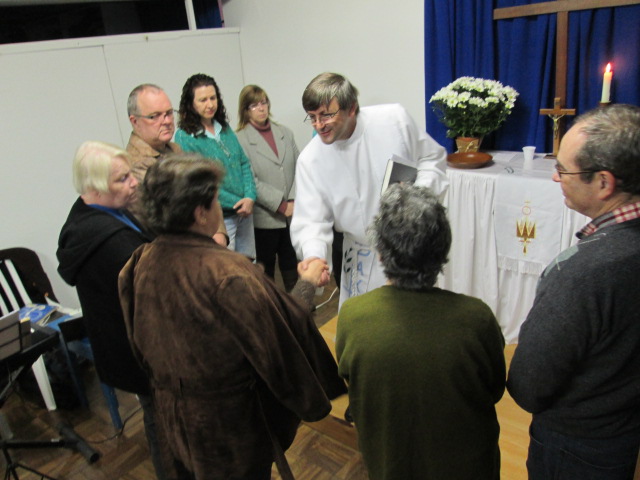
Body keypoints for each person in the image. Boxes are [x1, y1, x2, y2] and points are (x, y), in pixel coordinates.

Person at [118, 154, 346, 479]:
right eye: (214, 199)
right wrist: (307, 283)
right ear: (199, 212)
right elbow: (280, 337)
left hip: (172, 416)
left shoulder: (140, 260)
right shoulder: (227, 273)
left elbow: (139, 344)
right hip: (227, 428)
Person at [335, 183, 506, 480]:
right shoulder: (476, 319)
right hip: (467, 468)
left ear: (381, 253)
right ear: (442, 249)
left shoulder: (353, 316)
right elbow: (495, 389)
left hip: (390, 465)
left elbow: (355, 384)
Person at [507, 104, 640, 480]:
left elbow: (528, 387)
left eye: (564, 170)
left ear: (604, 183)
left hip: (577, 448)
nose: (555, 177)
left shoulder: (582, 272)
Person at [56, 141, 165, 479]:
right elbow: (155, 291)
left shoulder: (89, 212)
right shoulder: (110, 242)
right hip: (138, 347)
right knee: (162, 423)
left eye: (130, 174)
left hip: (126, 341)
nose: (134, 183)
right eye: (122, 179)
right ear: (95, 188)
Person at [290, 72, 449, 305]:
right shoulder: (310, 159)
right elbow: (311, 221)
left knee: (416, 316)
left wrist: (415, 199)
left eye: (326, 115)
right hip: (361, 255)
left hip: (409, 249)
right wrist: (314, 257)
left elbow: (431, 159)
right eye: (312, 117)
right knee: (366, 320)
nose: (318, 125)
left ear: (351, 108)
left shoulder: (394, 121)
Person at [125, 83, 228, 246]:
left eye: (168, 113)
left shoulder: (175, 149)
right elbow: (170, 221)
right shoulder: (134, 165)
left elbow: (208, 192)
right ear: (135, 121)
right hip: (180, 251)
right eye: (154, 116)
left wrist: (219, 232)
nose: (166, 121)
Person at [175, 74, 256, 258]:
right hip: (220, 219)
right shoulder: (184, 137)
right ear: (191, 104)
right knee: (228, 268)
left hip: (245, 212)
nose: (210, 104)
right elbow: (198, 183)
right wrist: (237, 203)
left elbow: (243, 163)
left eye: (213, 98)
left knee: (249, 266)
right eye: (203, 100)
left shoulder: (224, 128)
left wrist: (250, 196)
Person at [236, 85, 299, 290]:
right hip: (264, 218)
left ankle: (298, 306)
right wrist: (281, 205)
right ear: (245, 110)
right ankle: (272, 308)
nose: (261, 108)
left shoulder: (285, 133)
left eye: (263, 102)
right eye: (254, 105)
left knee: (293, 266)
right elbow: (250, 180)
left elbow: (300, 167)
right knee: (266, 273)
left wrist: (292, 200)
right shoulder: (240, 140)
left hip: (292, 215)